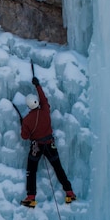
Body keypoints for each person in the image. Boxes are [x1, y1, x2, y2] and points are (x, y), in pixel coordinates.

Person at [20, 77, 76, 208]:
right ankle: (69, 192)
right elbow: (44, 98)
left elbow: (24, 136)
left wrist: (22, 125)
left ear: (29, 106)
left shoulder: (27, 120)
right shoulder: (45, 110)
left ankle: (31, 197)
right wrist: (37, 85)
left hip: (37, 147)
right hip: (50, 145)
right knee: (58, 168)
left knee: (31, 171)